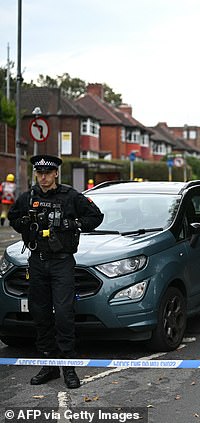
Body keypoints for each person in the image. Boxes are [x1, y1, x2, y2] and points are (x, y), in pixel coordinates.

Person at [8, 155, 104, 389]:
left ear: (55, 174)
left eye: (47, 173)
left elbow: (95, 217)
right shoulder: (29, 197)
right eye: (39, 173)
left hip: (62, 262)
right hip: (37, 262)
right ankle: (49, 365)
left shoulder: (70, 197)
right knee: (40, 314)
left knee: (63, 314)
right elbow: (12, 217)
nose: (42, 177)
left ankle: (68, 368)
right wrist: (24, 223)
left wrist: (74, 224)